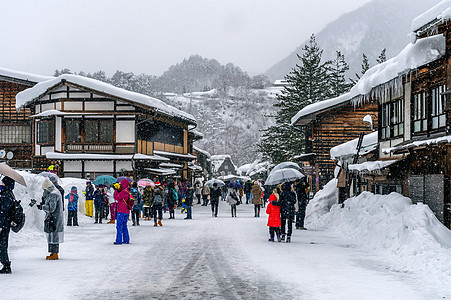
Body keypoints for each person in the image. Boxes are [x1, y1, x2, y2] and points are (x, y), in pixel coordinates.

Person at [38, 178, 64, 260]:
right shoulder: (51, 193)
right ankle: (52, 253)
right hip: (53, 217)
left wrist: (42, 207)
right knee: (52, 234)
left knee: (54, 235)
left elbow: (51, 208)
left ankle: (55, 253)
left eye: (44, 188)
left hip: (55, 218)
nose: (43, 190)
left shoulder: (53, 194)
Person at [0, 176, 15, 273]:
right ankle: (5, 264)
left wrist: (0, 225)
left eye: (3, 183)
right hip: (6, 224)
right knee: (2, 245)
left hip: (4, 224)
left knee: (2, 245)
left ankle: (6, 265)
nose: (2, 184)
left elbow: (3, 212)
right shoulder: (9, 193)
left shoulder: (6, 195)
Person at [114, 179, 132, 245]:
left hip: (121, 210)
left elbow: (116, 197)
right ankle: (126, 239)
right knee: (124, 225)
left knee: (119, 226)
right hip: (126, 211)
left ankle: (118, 240)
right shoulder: (127, 191)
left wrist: (116, 190)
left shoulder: (124, 192)